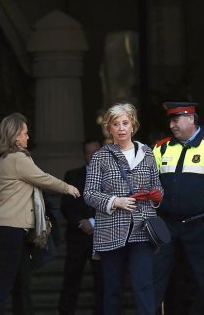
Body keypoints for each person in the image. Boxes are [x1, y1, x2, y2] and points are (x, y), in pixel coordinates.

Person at [0, 112, 81, 315]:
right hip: (11, 227)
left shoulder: (0, 160)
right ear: (15, 136)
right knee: (5, 282)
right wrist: (67, 188)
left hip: (4, 226)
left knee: (20, 281)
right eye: (25, 133)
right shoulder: (18, 158)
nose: (28, 137)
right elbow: (43, 178)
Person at [152, 102, 204, 314]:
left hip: (200, 224)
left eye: (176, 120)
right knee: (158, 279)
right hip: (167, 225)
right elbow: (149, 183)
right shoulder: (161, 146)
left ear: (191, 119)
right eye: (170, 120)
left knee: (203, 281)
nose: (172, 125)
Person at [84, 103, 163, 315]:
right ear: (109, 128)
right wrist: (115, 201)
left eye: (125, 123)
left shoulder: (147, 153)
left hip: (142, 230)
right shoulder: (101, 156)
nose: (121, 128)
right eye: (115, 124)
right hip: (111, 232)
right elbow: (89, 193)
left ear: (133, 125)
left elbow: (157, 186)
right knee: (112, 290)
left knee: (144, 286)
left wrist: (156, 195)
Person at [58, 138, 104, 315]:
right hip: (77, 237)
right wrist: (81, 222)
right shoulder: (72, 176)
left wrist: (93, 222)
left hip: (101, 237)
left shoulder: (111, 176)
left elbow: (113, 205)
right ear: (84, 154)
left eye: (96, 152)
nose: (92, 156)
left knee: (102, 280)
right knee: (71, 279)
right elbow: (67, 206)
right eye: (89, 152)